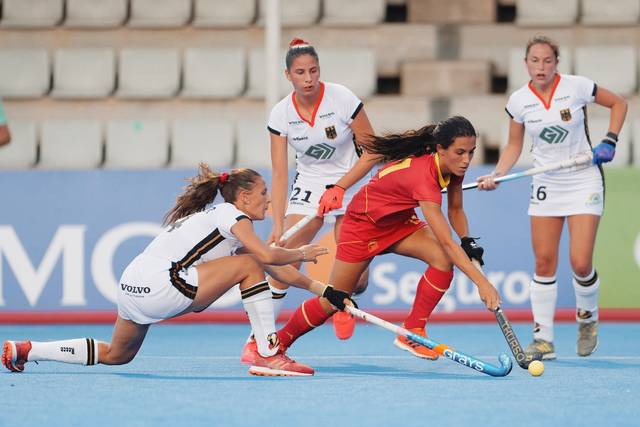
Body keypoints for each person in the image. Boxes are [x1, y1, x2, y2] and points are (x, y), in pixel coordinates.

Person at [2, 164, 350, 377]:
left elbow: (275, 267)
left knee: (117, 355)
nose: (270, 201)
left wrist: (324, 290)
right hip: (162, 285)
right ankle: (269, 353)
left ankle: (26, 349)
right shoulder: (232, 216)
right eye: (263, 193)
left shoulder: (216, 220)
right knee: (249, 264)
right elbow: (263, 257)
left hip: (132, 283)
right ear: (243, 197)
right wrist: (298, 251)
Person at [256, 116, 501, 369]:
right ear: (440, 148)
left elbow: (457, 209)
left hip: (397, 222)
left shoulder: (451, 166)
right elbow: (447, 241)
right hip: (363, 225)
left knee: (442, 259)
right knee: (333, 299)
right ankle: (276, 345)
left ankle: (413, 331)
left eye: (471, 153)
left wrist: (467, 240)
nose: (466, 160)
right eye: (460, 152)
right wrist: (482, 283)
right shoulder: (424, 179)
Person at [476, 35, 628, 360]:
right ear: (526, 64)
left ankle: (587, 319)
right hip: (546, 182)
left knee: (580, 262)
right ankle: (543, 339)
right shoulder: (518, 101)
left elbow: (619, 103)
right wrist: (498, 174)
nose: (541, 67)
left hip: (583, 178)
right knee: (544, 262)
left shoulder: (577, 87)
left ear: (556, 62)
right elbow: (514, 146)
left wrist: (610, 141)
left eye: (547, 61)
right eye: (535, 61)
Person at [241, 37, 379, 363]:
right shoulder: (281, 113)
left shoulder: (343, 98)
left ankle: (341, 298)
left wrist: (341, 187)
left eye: (313, 71)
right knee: (282, 259)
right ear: (287, 75)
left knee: (356, 279)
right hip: (311, 183)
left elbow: (372, 151)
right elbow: (278, 172)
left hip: (353, 180)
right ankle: (260, 341)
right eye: (300, 72)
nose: (308, 78)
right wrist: (277, 225)